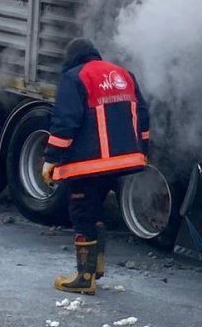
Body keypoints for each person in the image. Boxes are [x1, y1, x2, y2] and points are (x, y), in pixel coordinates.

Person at [42, 38, 150, 295]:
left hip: (89, 163)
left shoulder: (74, 77)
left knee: (81, 212)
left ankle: (84, 277)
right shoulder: (124, 75)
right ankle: (96, 266)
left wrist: (51, 159)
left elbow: (65, 122)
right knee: (95, 210)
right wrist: (142, 150)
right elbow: (143, 115)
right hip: (124, 160)